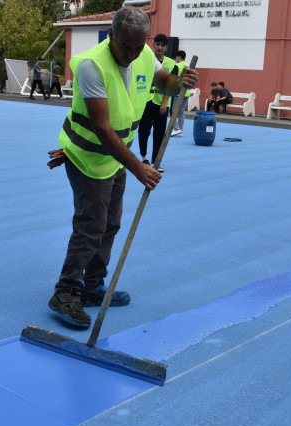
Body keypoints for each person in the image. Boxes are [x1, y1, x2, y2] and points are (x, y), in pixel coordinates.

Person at [45, 6, 198, 328]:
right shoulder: (91, 66)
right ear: (111, 34)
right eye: (125, 46)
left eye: (138, 46)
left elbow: (165, 83)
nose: (131, 54)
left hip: (115, 157)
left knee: (110, 224)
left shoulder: (142, 53)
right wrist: (137, 167)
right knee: (91, 225)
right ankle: (65, 291)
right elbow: (101, 126)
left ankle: (92, 286)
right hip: (87, 157)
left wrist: (180, 82)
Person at [137, 33, 176, 171]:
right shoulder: (146, 60)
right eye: (157, 44)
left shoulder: (171, 64)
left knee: (159, 133)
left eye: (162, 45)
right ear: (153, 46)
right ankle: (144, 157)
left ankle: (155, 161)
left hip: (162, 103)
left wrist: (165, 102)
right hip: (146, 101)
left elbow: (171, 84)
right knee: (143, 131)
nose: (159, 47)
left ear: (166, 48)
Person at [170, 50, 191, 137]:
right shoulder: (189, 66)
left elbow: (172, 79)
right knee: (181, 112)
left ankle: (177, 129)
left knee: (173, 111)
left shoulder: (177, 66)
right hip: (187, 92)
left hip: (178, 92)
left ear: (178, 57)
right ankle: (180, 130)